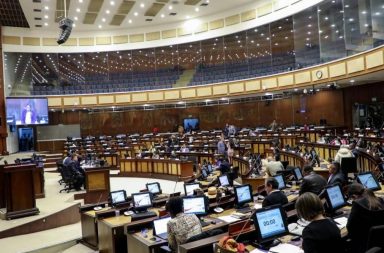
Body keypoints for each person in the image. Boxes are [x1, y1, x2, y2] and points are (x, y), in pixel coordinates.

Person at [347, 187, 384, 253]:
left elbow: (349, 227)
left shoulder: (357, 205)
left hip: (362, 245)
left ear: (354, 196)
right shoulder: (380, 200)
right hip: (380, 243)